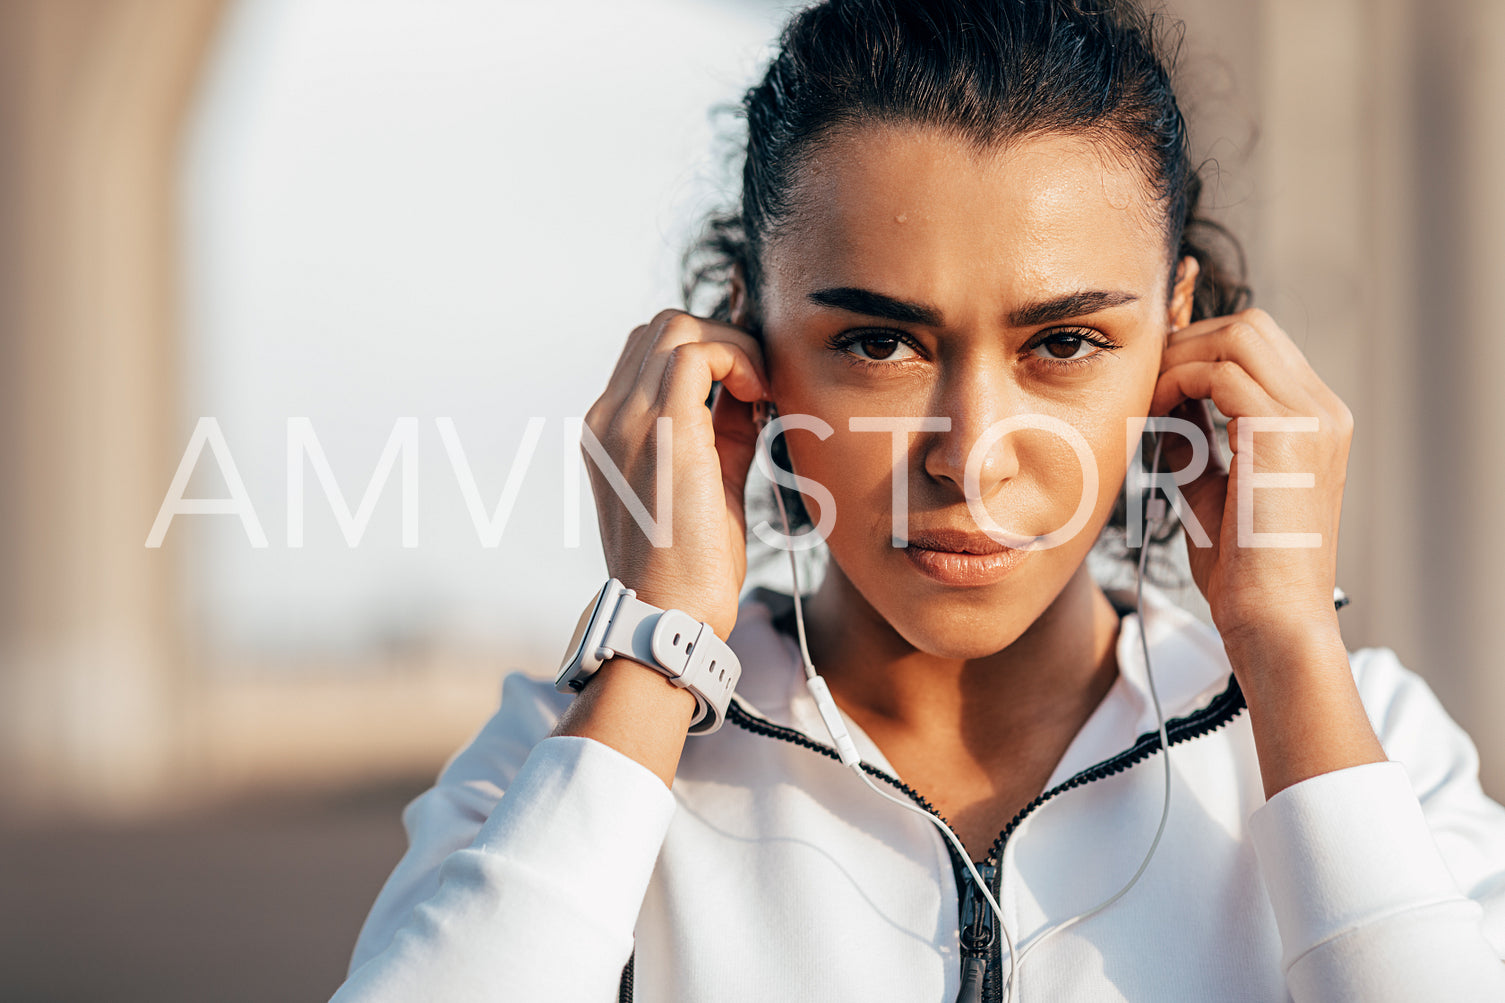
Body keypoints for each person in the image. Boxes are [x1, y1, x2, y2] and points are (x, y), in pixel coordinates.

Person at [330, 1, 1505, 1000]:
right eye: (880, 342)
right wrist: (656, 643)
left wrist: (1286, 645)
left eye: (1064, 340)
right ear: (747, 336)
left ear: (1177, 333)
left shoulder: (1369, 742)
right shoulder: (571, 753)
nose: (971, 453)